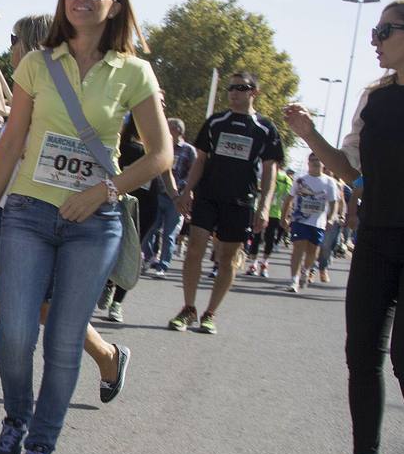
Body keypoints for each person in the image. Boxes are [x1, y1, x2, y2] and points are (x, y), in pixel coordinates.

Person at [0, 0, 169, 454]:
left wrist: (103, 193)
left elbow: (160, 155)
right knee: (14, 334)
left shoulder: (134, 72)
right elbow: (11, 142)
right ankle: (16, 417)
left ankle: (41, 449)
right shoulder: (37, 63)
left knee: (63, 341)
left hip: (94, 222)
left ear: (116, 2)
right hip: (29, 215)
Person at [287, 0, 404, 454]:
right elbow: (354, 175)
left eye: (385, 32)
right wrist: (309, 135)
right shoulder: (374, 99)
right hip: (376, 236)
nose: (374, 41)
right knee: (362, 353)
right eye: (374, 32)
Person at [0, 14, 129, 404]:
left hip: (45, 208)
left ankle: (108, 356)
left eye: (13, 38)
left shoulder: (61, 86)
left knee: (44, 307)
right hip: (9, 203)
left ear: (33, 41)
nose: (10, 47)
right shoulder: (28, 82)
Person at [168, 71, 282, 335]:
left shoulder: (265, 128)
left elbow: (269, 170)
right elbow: (200, 160)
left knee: (228, 258)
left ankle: (210, 313)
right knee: (195, 247)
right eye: (230, 88)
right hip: (208, 195)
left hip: (240, 200)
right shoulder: (216, 122)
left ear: (254, 92)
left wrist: (264, 206)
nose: (233, 93)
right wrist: (186, 191)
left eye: (240, 88)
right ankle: (188, 308)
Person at [103, 114, 160, 322]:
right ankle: (111, 289)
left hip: (143, 208)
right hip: (123, 205)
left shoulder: (156, 152)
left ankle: (116, 299)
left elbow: (165, 176)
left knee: (122, 252)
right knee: (125, 253)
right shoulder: (123, 149)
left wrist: (175, 195)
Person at [282, 155, 340, 294]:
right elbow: (289, 199)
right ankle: (294, 280)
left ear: (323, 164)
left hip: (318, 222)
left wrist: (331, 218)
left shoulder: (329, 182)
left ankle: (305, 270)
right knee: (297, 248)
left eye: (318, 160)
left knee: (312, 252)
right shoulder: (300, 180)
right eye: (312, 160)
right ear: (308, 163)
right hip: (299, 220)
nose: (315, 163)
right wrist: (284, 216)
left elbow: (334, 203)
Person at [144, 117, 195, 277]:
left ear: (177, 131)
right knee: (150, 228)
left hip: (176, 197)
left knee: (169, 234)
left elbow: (193, 173)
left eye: (169, 128)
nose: (165, 130)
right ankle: (150, 257)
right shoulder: (163, 147)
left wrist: (184, 188)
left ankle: (163, 265)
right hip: (158, 193)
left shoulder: (188, 150)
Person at [248, 163, 293, 277]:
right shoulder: (264, 175)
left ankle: (264, 263)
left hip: (274, 213)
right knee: (257, 237)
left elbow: (287, 199)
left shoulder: (286, 179)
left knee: (269, 238)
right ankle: (254, 264)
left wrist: (286, 216)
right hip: (260, 210)